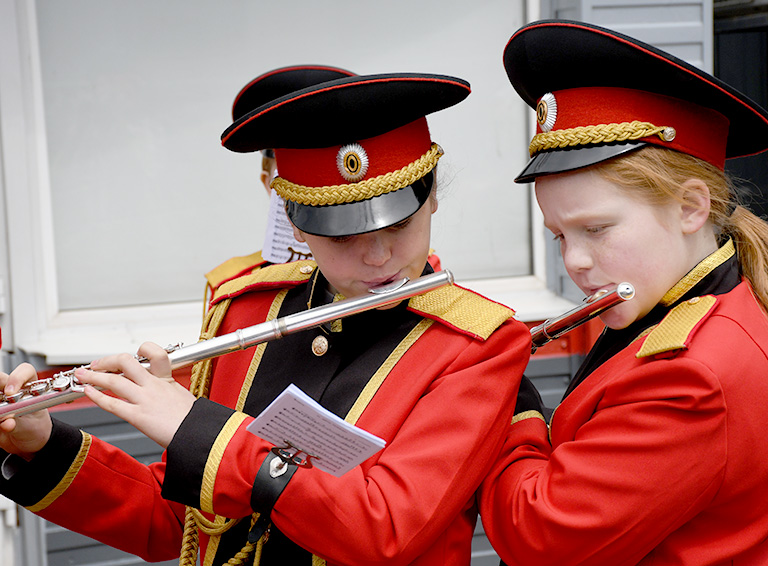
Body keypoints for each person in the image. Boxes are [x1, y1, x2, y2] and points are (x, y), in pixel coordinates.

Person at [0, 73, 532, 566]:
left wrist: (204, 431)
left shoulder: (476, 345)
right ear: (296, 225)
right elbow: (178, 524)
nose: (377, 257)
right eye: (342, 235)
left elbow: (386, 527)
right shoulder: (244, 310)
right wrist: (43, 445)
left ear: (433, 196)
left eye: (399, 224)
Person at [478, 20, 768, 565]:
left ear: (690, 207)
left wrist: (512, 404)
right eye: (560, 236)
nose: (574, 262)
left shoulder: (692, 375)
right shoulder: (693, 304)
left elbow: (541, 537)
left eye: (597, 229)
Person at [204, 64, 356, 301]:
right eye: (293, 181)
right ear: (270, 184)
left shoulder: (400, 265)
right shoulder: (235, 285)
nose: (310, 190)